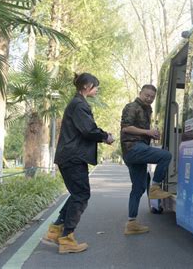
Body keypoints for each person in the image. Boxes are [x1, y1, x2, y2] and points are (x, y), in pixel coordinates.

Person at [43, 73, 114, 254]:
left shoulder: (77, 103)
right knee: (81, 194)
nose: (97, 90)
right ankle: (67, 238)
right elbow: (88, 131)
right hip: (73, 157)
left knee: (77, 193)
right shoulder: (79, 105)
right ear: (87, 86)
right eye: (96, 86)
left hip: (70, 156)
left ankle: (56, 230)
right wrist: (106, 136)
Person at [120, 84, 172, 235]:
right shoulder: (132, 106)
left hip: (138, 150)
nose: (149, 98)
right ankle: (155, 188)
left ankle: (131, 223)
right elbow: (126, 128)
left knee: (138, 188)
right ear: (140, 93)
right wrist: (148, 132)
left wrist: (152, 135)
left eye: (152, 97)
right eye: (146, 95)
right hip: (133, 148)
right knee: (165, 155)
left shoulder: (147, 109)